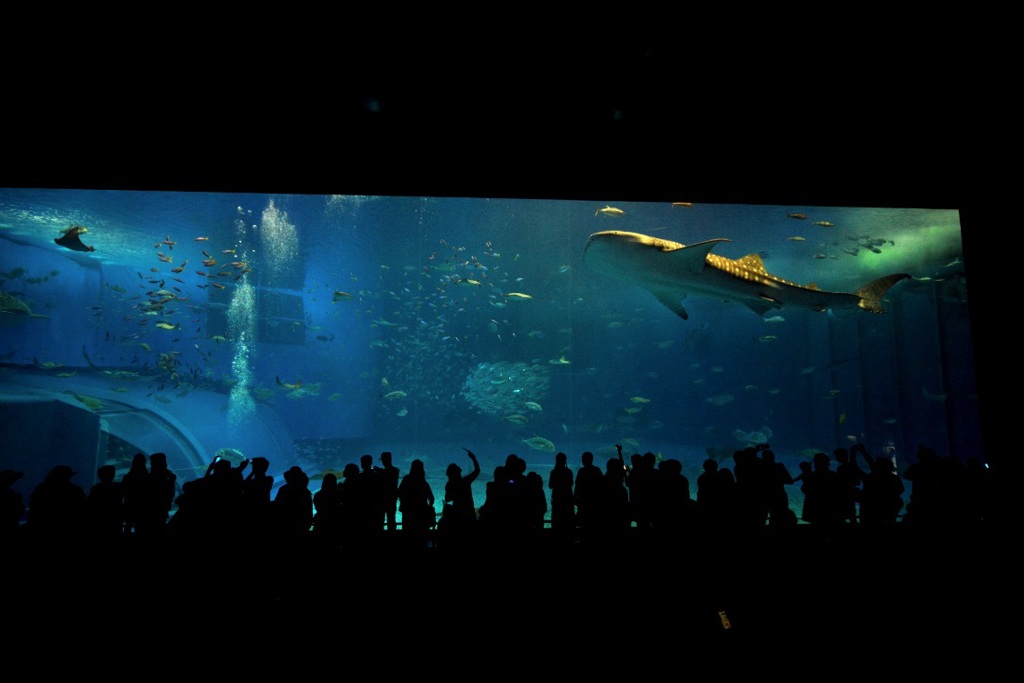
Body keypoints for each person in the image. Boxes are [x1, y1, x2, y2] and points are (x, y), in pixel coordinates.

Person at [438, 448, 480, 547]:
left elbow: (447, 499)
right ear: (456, 472)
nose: (459, 466)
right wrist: (473, 458)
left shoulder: (449, 484)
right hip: (468, 513)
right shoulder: (465, 481)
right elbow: (477, 470)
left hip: (457, 513)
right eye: (457, 467)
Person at [396, 458, 435, 548]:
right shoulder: (424, 483)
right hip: (421, 514)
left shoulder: (406, 479)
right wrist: (428, 507)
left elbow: (399, 492)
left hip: (408, 513)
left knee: (408, 536)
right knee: (421, 538)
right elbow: (432, 498)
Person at [548, 452, 575, 540]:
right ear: (565, 461)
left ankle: (556, 538)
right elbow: (571, 484)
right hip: (568, 500)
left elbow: (550, 485)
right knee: (568, 521)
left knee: (557, 520)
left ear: (556, 461)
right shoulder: (569, 471)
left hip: (557, 500)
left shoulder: (553, 472)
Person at [379, 451, 400, 533]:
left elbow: (387, 473)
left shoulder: (392, 471)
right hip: (390, 499)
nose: (383, 462)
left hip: (386, 499)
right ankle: (391, 535)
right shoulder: (395, 470)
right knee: (390, 519)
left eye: (383, 460)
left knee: (386, 519)